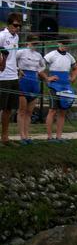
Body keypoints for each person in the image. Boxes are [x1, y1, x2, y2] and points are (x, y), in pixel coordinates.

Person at [15, 36, 48, 145]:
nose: (35, 45)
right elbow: (12, 61)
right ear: (28, 43)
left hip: (34, 81)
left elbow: (43, 66)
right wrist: (18, 70)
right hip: (23, 81)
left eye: (36, 44)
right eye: (33, 43)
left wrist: (38, 71)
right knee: (22, 111)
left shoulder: (38, 55)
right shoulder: (21, 52)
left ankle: (27, 135)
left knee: (29, 112)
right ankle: (22, 136)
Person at [43, 37, 77, 142]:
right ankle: (49, 136)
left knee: (63, 111)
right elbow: (40, 66)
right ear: (59, 43)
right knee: (52, 110)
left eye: (67, 44)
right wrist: (47, 78)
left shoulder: (70, 57)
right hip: (54, 86)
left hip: (65, 86)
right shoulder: (51, 55)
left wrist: (73, 78)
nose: (65, 46)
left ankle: (59, 136)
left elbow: (76, 68)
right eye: (63, 44)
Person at [0, 12, 22, 145]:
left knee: (9, 109)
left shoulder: (17, 37)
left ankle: (5, 137)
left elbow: (13, 57)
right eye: (15, 25)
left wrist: (18, 69)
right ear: (9, 24)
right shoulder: (2, 36)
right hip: (2, 77)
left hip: (13, 76)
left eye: (20, 25)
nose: (18, 28)